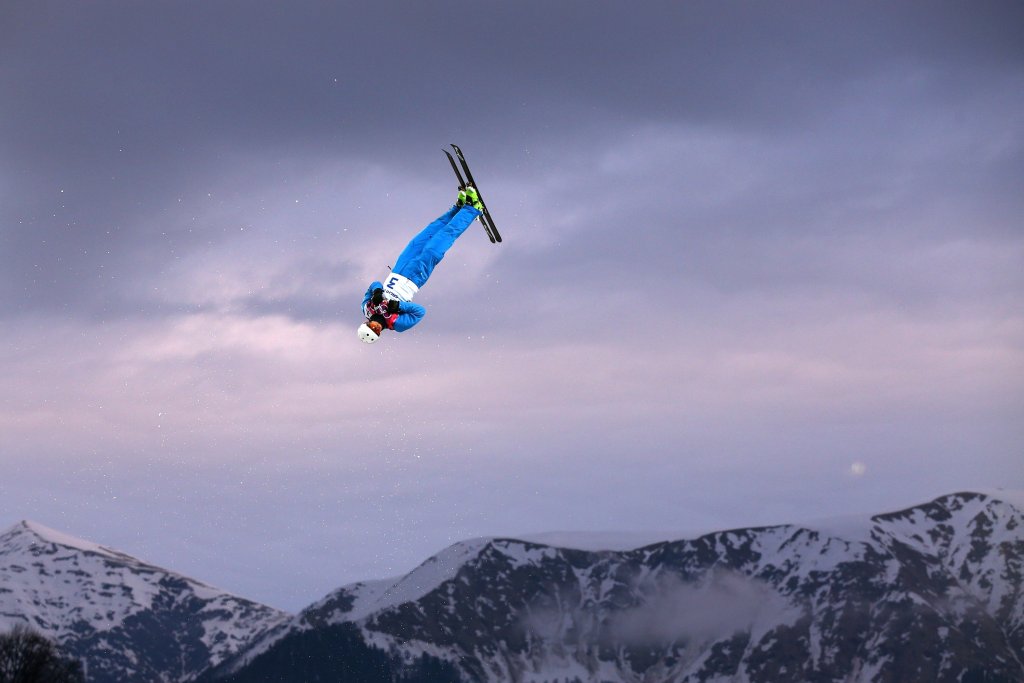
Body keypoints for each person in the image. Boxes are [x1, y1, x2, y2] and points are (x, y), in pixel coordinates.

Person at [357, 187, 484, 343]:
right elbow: (420, 312)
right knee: (439, 242)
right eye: (376, 331)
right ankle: (472, 209)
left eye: (371, 326)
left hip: (399, 269)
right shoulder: (397, 324)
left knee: (424, 236)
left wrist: (377, 290)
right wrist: (398, 307)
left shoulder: (366, 308)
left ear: (366, 323)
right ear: (380, 334)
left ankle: (458, 209)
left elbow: (372, 286)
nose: (376, 327)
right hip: (415, 277)